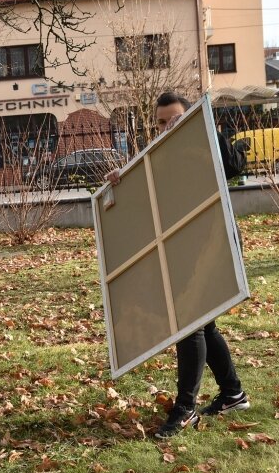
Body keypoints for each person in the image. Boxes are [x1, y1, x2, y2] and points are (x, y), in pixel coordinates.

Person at [107, 92, 250, 438]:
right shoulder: (159, 157)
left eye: (174, 119)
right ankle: (233, 394)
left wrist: (206, 129)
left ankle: (186, 408)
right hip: (181, 249)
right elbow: (148, 201)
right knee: (204, 323)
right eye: (159, 121)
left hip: (212, 244)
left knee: (190, 324)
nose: (166, 126)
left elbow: (235, 165)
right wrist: (120, 184)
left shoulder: (205, 145)